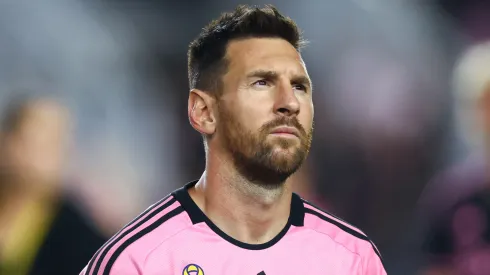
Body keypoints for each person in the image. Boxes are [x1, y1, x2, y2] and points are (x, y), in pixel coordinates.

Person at [81, 5, 386, 274]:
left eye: (299, 86)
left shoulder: (353, 260)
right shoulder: (139, 262)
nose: (288, 102)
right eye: (261, 82)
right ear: (203, 112)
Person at [0, 95, 106, 274]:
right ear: (6, 141)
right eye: (32, 141)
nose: (40, 158)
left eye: (53, 143)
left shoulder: (81, 242)